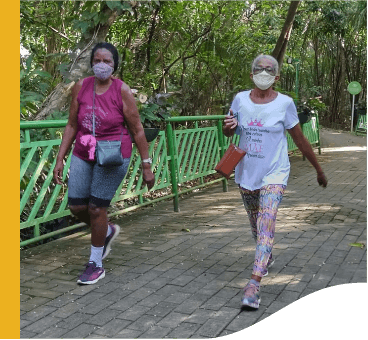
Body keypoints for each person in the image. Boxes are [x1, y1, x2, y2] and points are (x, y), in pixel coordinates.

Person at [223, 54, 328, 310]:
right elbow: (229, 129)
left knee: (267, 221)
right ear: (251, 74)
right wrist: (227, 126)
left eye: (269, 70)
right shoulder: (239, 99)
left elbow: (300, 139)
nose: (263, 72)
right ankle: (265, 256)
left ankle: (253, 285)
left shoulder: (285, 103)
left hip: (275, 173)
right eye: (259, 68)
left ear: (277, 77)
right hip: (247, 173)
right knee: (256, 225)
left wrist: (317, 168)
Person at [53, 42, 155, 285]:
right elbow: (71, 124)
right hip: (84, 150)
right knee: (78, 207)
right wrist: (60, 157)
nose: (101, 65)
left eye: (107, 61)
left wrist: (146, 165)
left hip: (113, 153)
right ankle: (106, 230)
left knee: (97, 209)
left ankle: (95, 263)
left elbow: (137, 129)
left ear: (114, 66)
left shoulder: (122, 91)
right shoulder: (81, 86)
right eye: (97, 60)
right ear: (91, 64)